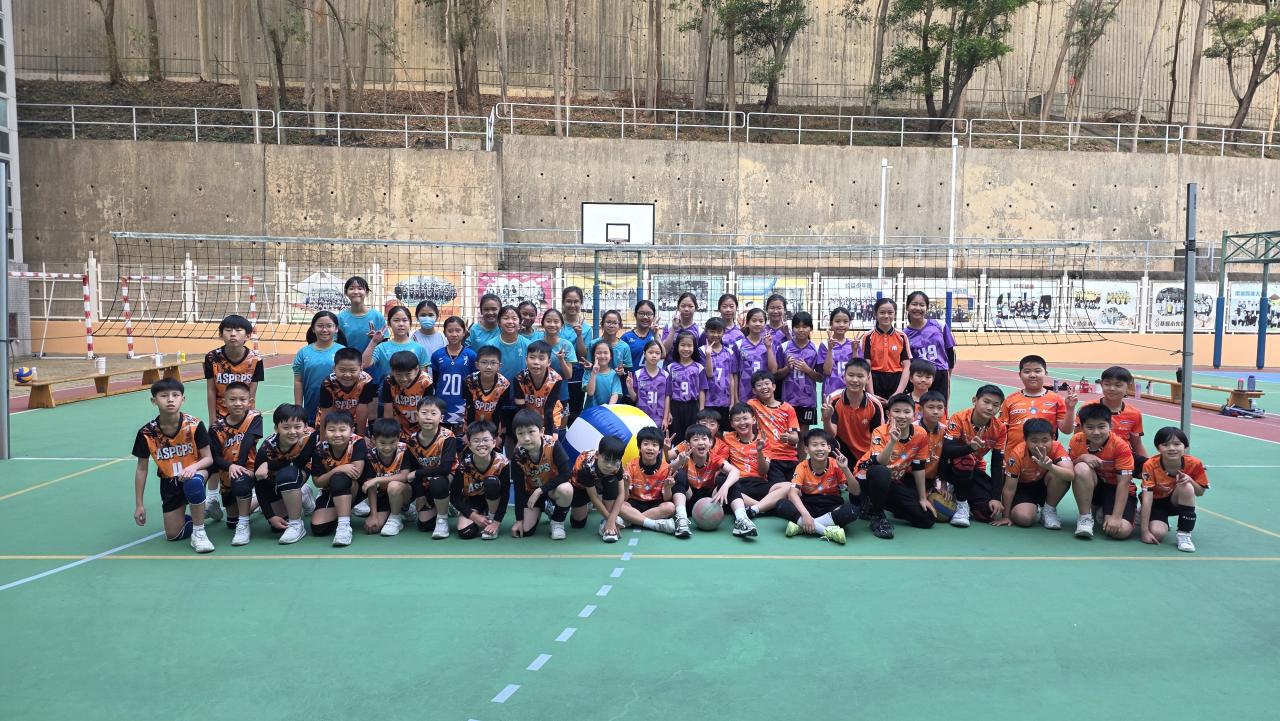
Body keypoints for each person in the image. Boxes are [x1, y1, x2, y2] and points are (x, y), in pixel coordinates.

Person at [132, 378, 216, 554]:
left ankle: (199, 532)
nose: (170, 399)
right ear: (154, 401)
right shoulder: (147, 433)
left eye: (175, 395)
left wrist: (193, 468)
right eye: (164, 396)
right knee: (173, 534)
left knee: (193, 483)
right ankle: (204, 512)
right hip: (170, 480)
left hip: (197, 472)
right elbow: (141, 469)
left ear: (182, 399)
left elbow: (208, 459)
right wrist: (139, 504)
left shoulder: (194, 425)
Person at [856, 393, 933, 538]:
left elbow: (918, 467)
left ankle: (873, 504)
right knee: (881, 472)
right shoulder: (880, 431)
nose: (902, 416)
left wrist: (922, 498)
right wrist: (892, 441)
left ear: (914, 414)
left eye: (907, 411)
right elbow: (880, 463)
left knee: (926, 519)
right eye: (896, 411)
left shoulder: (920, 434)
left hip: (891, 482)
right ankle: (877, 516)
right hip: (868, 479)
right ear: (888, 414)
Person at [669, 423, 758, 537]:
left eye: (704, 439)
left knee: (728, 480)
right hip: (689, 498)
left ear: (710, 442)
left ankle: (742, 519)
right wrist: (678, 463)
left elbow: (735, 471)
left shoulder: (714, 458)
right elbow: (669, 471)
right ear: (688, 444)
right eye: (695, 439)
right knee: (679, 475)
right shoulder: (684, 457)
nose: (701, 442)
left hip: (711, 499)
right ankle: (681, 520)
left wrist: (725, 487)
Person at [940, 385, 1008, 527]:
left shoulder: (1000, 428)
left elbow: (996, 464)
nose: (990, 408)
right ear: (975, 401)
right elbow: (947, 450)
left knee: (987, 512)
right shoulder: (959, 418)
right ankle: (961, 504)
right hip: (950, 467)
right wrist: (969, 448)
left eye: (995, 405)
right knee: (966, 459)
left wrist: (996, 497)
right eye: (986, 402)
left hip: (974, 469)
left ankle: (960, 493)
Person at [777, 429, 859, 545]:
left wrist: (845, 469)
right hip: (808, 505)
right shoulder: (802, 466)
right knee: (781, 504)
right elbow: (792, 493)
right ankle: (826, 530)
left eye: (823, 445)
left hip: (831, 506)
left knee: (852, 510)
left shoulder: (836, 464)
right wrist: (805, 514)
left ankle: (802, 527)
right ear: (806, 449)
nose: (819, 448)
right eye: (814, 445)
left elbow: (856, 491)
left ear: (829, 448)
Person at [1070, 403, 1136, 540]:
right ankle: (1085, 518)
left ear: (1110, 425)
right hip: (1095, 485)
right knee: (1081, 467)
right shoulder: (1077, 440)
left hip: (1116, 488)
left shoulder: (1120, 446)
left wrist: (1116, 517)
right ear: (1082, 427)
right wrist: (1082, 458)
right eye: (1090, 427)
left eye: (1101, 427)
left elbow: (1123, 483)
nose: (1096, 432)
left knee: (1120, 531)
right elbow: (1068, 468)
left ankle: (1106, 510)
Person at [253, 403, 317, 545]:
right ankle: (302, 494)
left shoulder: (311, 436)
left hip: (297, 472)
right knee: (278, 527)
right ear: (276, 428)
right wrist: (270, 516)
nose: (292, 432)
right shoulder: (266, 450)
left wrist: (269, 465)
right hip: (274, 481)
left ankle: (296, 524)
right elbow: (258, 485)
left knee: (288, 475)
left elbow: (300, 463)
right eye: (286, 427)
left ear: (305, 426)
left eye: (297, 427)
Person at [1140, 426, 1209, 553]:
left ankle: (1184, 534)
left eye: (1177, 444)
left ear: (1185, 446)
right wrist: (1144, 531)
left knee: (1186, 485)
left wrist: (1190, 480)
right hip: (1156, 503)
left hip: (1176, 502)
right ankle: (1143, 514)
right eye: (1165, 445)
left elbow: (1200, 492)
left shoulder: (1195, 463)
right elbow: (1147, 497)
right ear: (1158, 448)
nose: (1171, 448)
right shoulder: (1150, 465)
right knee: (1157, 533)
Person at [207, 381, 263, 538]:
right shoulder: (216, 428)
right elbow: (215, 457)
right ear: (224, 402)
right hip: (227, 474)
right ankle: (254, 501)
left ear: (249, 401)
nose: (238, 403)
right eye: (232, 399)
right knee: (232, 522)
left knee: (241, 482)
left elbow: (247, 443)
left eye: (242, 399)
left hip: (248, 469)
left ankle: (251, 511)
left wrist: (238, 468)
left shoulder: (254, 417)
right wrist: (230, 467)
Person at [995, 418, 1073, 529]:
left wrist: (1050, 467)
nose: (1040, 445)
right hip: (1023, 487)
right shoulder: (1017, 453)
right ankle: (1033, 507)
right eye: (1034, 441)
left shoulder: (1057, 447)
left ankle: (1048, 511)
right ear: (1025, 439)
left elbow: (1070, 475)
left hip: (1045, 484)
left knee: (1059, 474)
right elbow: (1009, 488)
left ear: (1053, 437)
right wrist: (1006, 516)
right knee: (1023, 519)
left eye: (1045, 440)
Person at [510, 409, 574, 540]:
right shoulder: (517, 456)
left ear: (541, 431)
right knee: (526, 531)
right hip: (531, 493)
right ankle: (544, 507)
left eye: (531, 432)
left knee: (566, 489)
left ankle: (557, 522)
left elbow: (566, 473)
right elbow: (518, 488)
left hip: (552, 489)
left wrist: (540, 490)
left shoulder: (553, 444)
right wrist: (519, 520)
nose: (526, 438)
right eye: (520, 433)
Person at [720, 402, 790, 521]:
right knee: (721, 486)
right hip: (739, 483)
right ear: (731, 424)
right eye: (737, 420)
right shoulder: (727, 437)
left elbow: (763, 471)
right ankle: (763, 507)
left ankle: (754, 509)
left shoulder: (763, 440)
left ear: (753, 420)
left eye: (745, 418)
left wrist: (759, 451)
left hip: (759, 483)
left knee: (789, 486)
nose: (742, 423)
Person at [308, 410, 366, 547]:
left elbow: (356, 473)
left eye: (342, 430)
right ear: (325, 431)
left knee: (339, 479)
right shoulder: (320, 449)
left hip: (356, 488)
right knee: (319, 528)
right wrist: (338, 469)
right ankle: (340, 509)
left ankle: (344, 525)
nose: (337, 434)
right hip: (331, 489)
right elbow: (317, 482)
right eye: (332, 430)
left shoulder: (358, 443)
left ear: (352, 430)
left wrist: (337, 472)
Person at [999, 354, 1077, 451]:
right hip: (1014, 456)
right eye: (1027, 371)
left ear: (1046, 373)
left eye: (1037, 371)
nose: (1032, 375)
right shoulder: (1010, 399)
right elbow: (1001, 431)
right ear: (1020, 375)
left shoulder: (1057, 399)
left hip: (1046, 456)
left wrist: (1070, 409)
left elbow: (1067, 430)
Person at [1076, 365, 1148, 470]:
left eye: (1118, 385)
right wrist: (1083, 457)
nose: (1112, 389)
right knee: (1081, 469)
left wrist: (1149, 465)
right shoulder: (1087, 407)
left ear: (1129, 386)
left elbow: (1137, 444)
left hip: (1123, 458)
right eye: (1107, 384)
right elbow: (1077, 438)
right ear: (1101, 384)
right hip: (1095, 458)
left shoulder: (1134, 414)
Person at [405, 396, 459, 537]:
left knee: (438, 481)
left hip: (447, 478)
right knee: (425, 525)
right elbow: (413, 468)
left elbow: (445, 469)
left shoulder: (448, 436)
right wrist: (420, 495)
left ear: (441, 418)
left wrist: (417, 474)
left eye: (433, 413)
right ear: (417, 416)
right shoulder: (412, 440)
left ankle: (442, 519)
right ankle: (443, 505)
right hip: (425, 480)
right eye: (424, 413)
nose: (428, 417)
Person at [358, 418, 418, 537]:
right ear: (373, 440)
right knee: (373, 527)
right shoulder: (370, 456)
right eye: (382, 443)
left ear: (398, 438)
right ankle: (397, 509)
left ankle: (398, 515)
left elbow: (404, 476)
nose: (387, 447)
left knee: (394, 485)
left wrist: (377, 479)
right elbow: (371, 488)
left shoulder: (404, 450)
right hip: (382, 495)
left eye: (392, 442)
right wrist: (373, 515)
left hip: (405, 491)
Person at [451, 422, 510, 540]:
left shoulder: (502, 463)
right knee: (466, 532)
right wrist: (474, 516)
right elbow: (454, 497)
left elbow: (505, 495)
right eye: (476, 441)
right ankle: (482, 518)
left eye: (485, 440)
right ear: (469, 445)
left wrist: (496, 522)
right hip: (473, 501)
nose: (481, 444)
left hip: (493, 502)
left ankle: (490, 520)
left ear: (493, 443)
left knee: (491, 482)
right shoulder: (463, 466)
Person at [618, 427, 679, 535]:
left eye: (654, 445)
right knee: (620, 505)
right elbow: (625, 498)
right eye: (646, 444)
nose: (650, 448)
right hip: (634, 503)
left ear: (660, 449)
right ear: (639, 447)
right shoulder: (631, 465)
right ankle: (652, 523)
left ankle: (629, 521)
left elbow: (667, 499)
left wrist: (668, 488)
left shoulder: (666, 468)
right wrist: (626, 486)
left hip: (654, 505)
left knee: (670, 507)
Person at [204, 313, 263, 422]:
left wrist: (248, 419)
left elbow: (252, 393)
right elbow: (211, 390)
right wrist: (212, 419)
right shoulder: (212, 357)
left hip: (243, 413)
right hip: (220, 414)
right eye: (228, 330)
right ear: (220, 335)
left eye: (238, 330)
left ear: (248, 336)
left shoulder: (256, 359)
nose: (233, 334)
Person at [822, 358, 884, 461]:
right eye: (851, 375)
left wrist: (873, 457)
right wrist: (827, 419)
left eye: (860, 376)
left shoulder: (875, 404)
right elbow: (831, 434)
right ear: (844, 376)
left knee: (879, 468)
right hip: (842, 451)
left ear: (868, 379)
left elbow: (878, 435)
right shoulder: (832, 400)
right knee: (829, 444)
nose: (855, 380)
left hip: (866, 452)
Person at [293, 310, 347, 424]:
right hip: (311, 408)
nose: (324, 330)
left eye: (329, 326)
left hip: (338, 410)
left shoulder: (343, 351)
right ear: (313, 329)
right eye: (320, 326)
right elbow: (298, 381)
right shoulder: (303, 352)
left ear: (336, 329)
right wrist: (298, 408)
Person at [570, 435, 627, 543]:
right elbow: (594, 498)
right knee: (578, 523)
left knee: (611, 480)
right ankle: (588, 506)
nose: (609, 465)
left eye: (614, 461)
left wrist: (610, 520)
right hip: (581, 486)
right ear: (597, 455)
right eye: (606, 460)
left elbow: (621, 494)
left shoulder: (616, 465)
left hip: (603, 481)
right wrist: (611, 520)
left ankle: (606, 527)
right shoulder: (584, 466)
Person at [903, 291, 957, 401]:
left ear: (927, 308)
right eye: (914, 304)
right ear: (907, 307)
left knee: (939, 408)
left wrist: (947, 374)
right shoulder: (904, 335)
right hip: (918, 377)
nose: (918, 308)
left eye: (922, 305)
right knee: (916, 407)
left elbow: (950, 351)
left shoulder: (939, 325)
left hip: (940, 373)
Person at [364, 304, 428, 389]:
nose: (401, 324)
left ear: (410, 323)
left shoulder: (419, 348)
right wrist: (373, 342)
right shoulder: (381, 348)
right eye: (396, 320)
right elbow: (364, 364)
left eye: (404, 320)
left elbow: (424, 378)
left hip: (413, 395)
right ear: (389, 323)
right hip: (386, 394)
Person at [429, 316, 476, 433]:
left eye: (458, 330)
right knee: (442, 437)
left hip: (462, 405)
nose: (454, 334)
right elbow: (436, 380)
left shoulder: (471, 355)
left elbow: (474, 382)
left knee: (460, 438)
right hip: (441, 404)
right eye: (450, 331)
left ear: (464, 333)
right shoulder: (437, 355)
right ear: (444, 333)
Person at [777, 311, 822, 431]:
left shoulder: (816, 349)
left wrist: (807, 370)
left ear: (811, 328)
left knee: (803, 434)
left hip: (807, 400)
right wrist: (787, 368)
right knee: (788, 433)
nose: (801, 330)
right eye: (797, 327)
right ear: (792, 329)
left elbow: (820, 378)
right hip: (788, 400)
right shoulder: (784, 347)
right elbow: (776, 375)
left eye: (805, 326)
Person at [314, 347, 376, 432]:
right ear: (334, 368)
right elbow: (326, 412)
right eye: (342, 370)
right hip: (331, 419)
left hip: (355, 420)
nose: (347, 375)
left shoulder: (366, 381)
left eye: (352, 371)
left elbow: (362, 409)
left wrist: (360, 436)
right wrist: (323, 438)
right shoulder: (328, 383)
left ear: (361, 369)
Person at [862, 298, 912, 399]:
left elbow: (907, 367)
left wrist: (898, 392)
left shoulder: (902, 336)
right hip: (874, 381)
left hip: (896, 381)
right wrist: (871, 394)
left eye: (890, 312)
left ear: (895, 314)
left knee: (895, 409)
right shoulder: (868, 337)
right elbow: (866, 367)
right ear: (875, 314)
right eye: (882, 312)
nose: (886, 316)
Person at [379, 349, 434, 441]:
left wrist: (426, 433)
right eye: (398, 374)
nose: (403, 379)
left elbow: (427, 409)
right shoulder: (389, 381)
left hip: (421, 426)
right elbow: (388, 409)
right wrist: (389, 432)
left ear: (416, 369)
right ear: (392, 371)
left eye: (408, 374)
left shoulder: (425, 381)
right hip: (398, 426)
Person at [513, 340, 566, 432]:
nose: (536, 362)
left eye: (541, 358)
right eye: (532, 357)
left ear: (549, 362)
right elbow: (521, 409)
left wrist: (550, 434)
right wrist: (527, 429)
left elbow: (549, 410)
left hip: (551, 419)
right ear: (526, 360)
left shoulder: (556, 379)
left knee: (551, 439)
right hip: (529, 419)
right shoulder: (519, 379)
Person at [559, 286, 594, 419]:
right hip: (557, 373)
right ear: (563, 302)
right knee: (557, 412)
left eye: (576, 301)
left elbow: (583, 356)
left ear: (581, 303)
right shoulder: (556, 323)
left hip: (576, 375)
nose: (572, 305)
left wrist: (579, 335)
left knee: (573, 414)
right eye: (569, 301)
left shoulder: (586, 328)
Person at [665, 331, 706, 440]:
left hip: (692, 406)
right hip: (675, 406)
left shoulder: (699, 367)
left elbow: (702, 390)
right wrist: (668, 412)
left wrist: (701, 410)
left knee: (692, 436)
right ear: (677, 346)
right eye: (682, 345)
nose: (686, 349)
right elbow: (668, 393)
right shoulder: (671, 367)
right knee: (676, 436)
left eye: (689, 345)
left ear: (694, 347)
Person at [732, 308, 773, 412]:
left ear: (765, 324)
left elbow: (773, 370)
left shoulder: (769, 344)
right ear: (747, 323)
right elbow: (735, 374)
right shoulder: (739, 345)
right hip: (744, 394)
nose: (757, 324)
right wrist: (736, 399)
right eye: (754, 320)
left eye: (761, 321)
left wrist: (769, 348)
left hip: (764, 393)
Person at [464, 345, 511, 434]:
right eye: (484, 362)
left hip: (493, 426)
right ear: (477, 365)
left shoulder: (504, 384)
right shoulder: (469, 382)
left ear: (499, 366)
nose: (488, 367)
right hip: (472, 425)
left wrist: (497, 435)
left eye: (493, 363)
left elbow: (502, 411)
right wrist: (468, 433)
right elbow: (467, 408)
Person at [700, 317, 738, 429]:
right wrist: (708, 355)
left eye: (719, 332)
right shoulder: (701, 351)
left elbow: (731, 378)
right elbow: (709, 374)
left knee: (725, 431)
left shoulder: (729, 352)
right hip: (708, 401)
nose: (715, 335)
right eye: (712, 331)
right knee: (708, 431)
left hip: (725, 401)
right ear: (706, 332)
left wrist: (732, 401)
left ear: (723, 332)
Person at [335, 275, 385, 357]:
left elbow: (384, 344)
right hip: (348, 361)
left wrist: (376, 340)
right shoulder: (340, 318)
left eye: (360, 288)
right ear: (346, 293)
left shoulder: (377, 316)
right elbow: (336, 343)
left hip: (372, 362)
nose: (356, 292)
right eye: (351, 288)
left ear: (367, 293)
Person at [628, 340, 669, 429]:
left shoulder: (665, 375)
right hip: (641, 417)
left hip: (659, 418)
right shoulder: (638, 374)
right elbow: (634, 398)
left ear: (661, 355)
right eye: (650, 352)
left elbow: (667, 397)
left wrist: (665, 418)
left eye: (657, 353)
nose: (654, 355)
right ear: (644, 354)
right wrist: (630, 388)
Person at [818, 307, 855, 397]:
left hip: (850, 392)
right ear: (831, 323)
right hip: (831, 392)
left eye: (845, 322)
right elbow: (827, 371)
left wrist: (855, 351)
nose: (841, 325)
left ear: (849, 323)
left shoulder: (853, 345)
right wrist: (830, 349)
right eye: (837, 321)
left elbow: (857, 369)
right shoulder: (824, 345)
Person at [495, 305, 533, 384]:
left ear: (520, 322)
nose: (510, 322)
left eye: (514, 318)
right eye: (506, 318)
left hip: (522, 389)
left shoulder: (528, 345)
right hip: (497, 389)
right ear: (499, 322)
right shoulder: (490, 346)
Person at [583, 340, 622, 408]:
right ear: (593, 356)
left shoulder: (614, 374)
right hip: (591, 411)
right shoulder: (588, 372)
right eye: (599, 353)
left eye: (606, 353)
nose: (602, 356)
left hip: (608, 410)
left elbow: (615, 394)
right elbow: (590, 392)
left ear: (611, 356)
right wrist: (593, 373)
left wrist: (607, 409)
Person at [623, 300, 659, 371]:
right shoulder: (626, 338)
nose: (645, 317)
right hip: (631, 377)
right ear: (635, 315)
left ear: (654, 316)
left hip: (651, 377)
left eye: (649, 314)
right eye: (641, 313)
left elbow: (663, 355)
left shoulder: (655, 335)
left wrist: (656, 335)